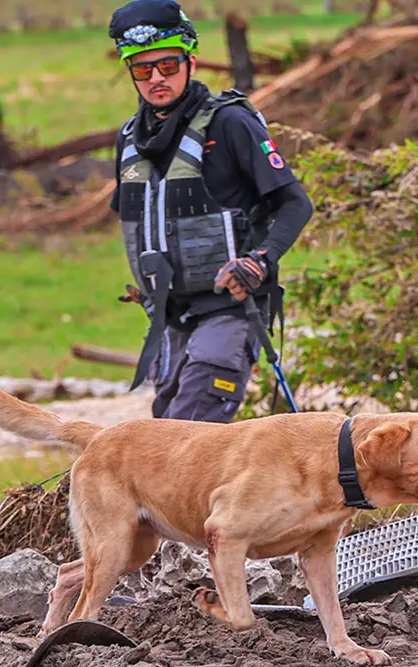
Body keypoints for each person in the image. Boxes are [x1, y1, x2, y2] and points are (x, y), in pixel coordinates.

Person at [108, 0, 312, 423]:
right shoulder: (128, 139)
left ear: (191, 61)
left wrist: (259, 261)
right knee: (164, 434)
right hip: (169, 317)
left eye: (167, 65)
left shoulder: (231, 124)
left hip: (230, 309)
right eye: (143, 70)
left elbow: (295, 203)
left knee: (186, 433)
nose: (157, 79)